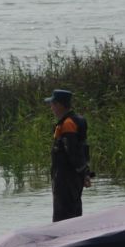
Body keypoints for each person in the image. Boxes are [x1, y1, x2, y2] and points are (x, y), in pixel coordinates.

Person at [46, 88, 92, 222]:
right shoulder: (73, 120)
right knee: (74, 213)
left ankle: (65, 241)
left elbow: (74, 152)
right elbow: (82, 151)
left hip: (66, 179)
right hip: (71, 178)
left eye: (52, 104)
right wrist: (85, 173)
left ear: (59, 105)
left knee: (64, 217)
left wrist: (84, 173)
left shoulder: (68, 124)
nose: (51, 108)